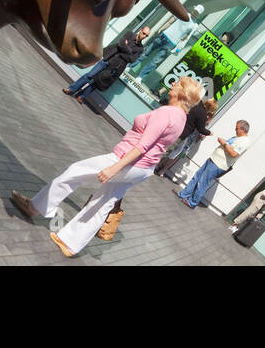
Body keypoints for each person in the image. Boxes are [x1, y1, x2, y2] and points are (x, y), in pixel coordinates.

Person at [11, 75, 204, 257]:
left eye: (177, 84)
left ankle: (34, 207)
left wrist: (115, 167)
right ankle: (70, 243)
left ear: (183, 94)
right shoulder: (181, 118)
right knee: (105, 201)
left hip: (126, 160)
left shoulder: (167, 113)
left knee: (74, 173)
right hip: (143, 170)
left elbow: (142, 145)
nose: (173, 84)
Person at [61, 25, 149, 104]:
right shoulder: (129, 34)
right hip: (108, 59)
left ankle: (81, 96)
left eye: (146, 35)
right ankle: (71, 89)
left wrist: (125, 48)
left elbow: (132, 59)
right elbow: (120, 44)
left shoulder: (140, 49)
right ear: (140, 30)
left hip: (116, 67)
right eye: (144, 33)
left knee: (98, 82)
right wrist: (128, 51)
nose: (144, 36)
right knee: (90, 75)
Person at [178, 119, 250, 209]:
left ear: (242, 130)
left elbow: (234, 154)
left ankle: (192, 202)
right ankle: (183, 194)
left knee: (202, 183)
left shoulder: (244, 141)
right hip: (213, 159)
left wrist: (224, 143)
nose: (235, 130)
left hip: (218, 164)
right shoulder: (238, 137)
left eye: (237, 128)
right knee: (197, 177)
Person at [130, 3, 204, 81]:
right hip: (164, 35)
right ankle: (129, 66)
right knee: (146, 52)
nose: (195, 13)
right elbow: (170, 21)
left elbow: (185, 38)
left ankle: (140, 77)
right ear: (193, 9)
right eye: (195, 11)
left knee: (154, 62)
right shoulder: (184, 14)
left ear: (199, 14)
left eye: (197, 12)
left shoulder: (195, 25)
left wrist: (178, 48)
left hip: (171, 43)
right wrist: (160, 29)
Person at [153, 96, 215, 177]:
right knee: (168, 150)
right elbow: (201, 129)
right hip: (184, 133)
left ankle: (157, 166)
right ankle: (153, 165)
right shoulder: (202, 112)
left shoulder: (198, 107)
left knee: (170, 150)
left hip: (183, 132)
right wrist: (209, 132)